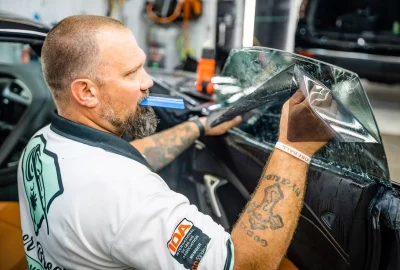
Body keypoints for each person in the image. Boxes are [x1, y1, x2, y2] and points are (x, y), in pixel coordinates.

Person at [17, 15, 330, 270]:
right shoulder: (127, 197)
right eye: (131, 73)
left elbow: (133, 155)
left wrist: (198, 126)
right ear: (86, 92)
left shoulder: (42, 144)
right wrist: (294, 147)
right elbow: (243, 265)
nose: (148, 82)